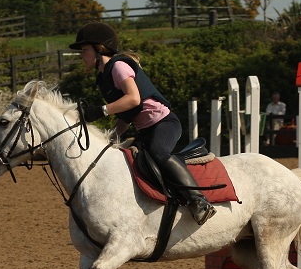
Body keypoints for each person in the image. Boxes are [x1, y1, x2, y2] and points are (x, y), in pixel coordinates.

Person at [69, 22, 215, 226]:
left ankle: (199, 201)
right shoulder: (103, 78)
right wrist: (110, 139)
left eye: (84, 50)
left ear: (99, 49)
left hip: (164, 123)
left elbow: (134, 99)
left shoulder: (118, 66)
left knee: (158, 152)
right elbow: (128, 115)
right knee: (124, 160)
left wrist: (102, 110)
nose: (81, 55)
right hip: (145, 129)